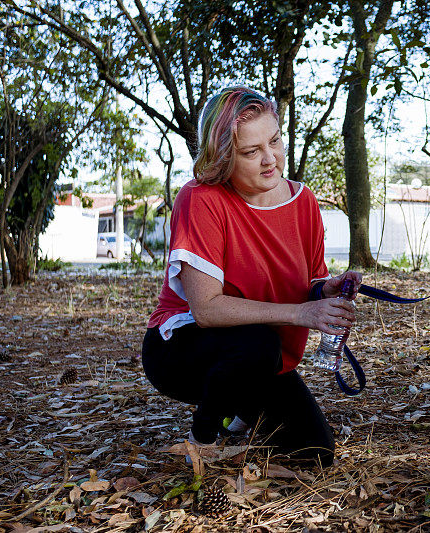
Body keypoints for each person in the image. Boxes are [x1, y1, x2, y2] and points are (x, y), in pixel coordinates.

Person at [142, 86, 361, 468]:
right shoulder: (200, 198)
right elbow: (207, 309)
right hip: (183, 350)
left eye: (274, 141)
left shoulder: (304, 201)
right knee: (256, 344)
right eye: (250, 152)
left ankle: (239, 421)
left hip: (262, 356)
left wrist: (324, 290)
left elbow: (306, 285)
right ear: (224, 157)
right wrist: (300, 314)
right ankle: (203, 441)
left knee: (316, 455)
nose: (270, 159)